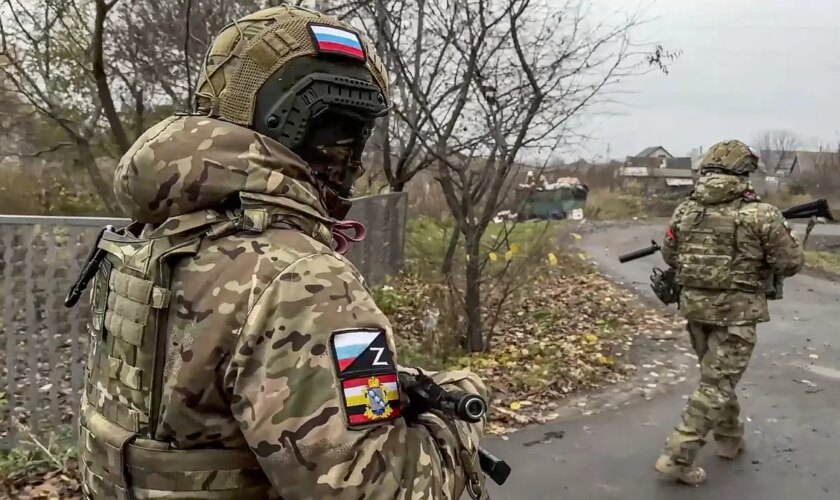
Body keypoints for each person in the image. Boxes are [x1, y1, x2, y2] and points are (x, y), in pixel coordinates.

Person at [74, 6, 486, 499]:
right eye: (335, 134)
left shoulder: (155, 233)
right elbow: (380, 491)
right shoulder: (300, 278)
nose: (347, 159)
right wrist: (460, 408)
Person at [653, 140, 804, 485]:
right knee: (717, 384)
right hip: (736, 315)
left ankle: (730, 438)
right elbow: (791, 263)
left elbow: (670, 255)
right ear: (744, 173)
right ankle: (677, 456)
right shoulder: (761, 214)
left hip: (695, 311)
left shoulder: (686, 210)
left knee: (717, 379)